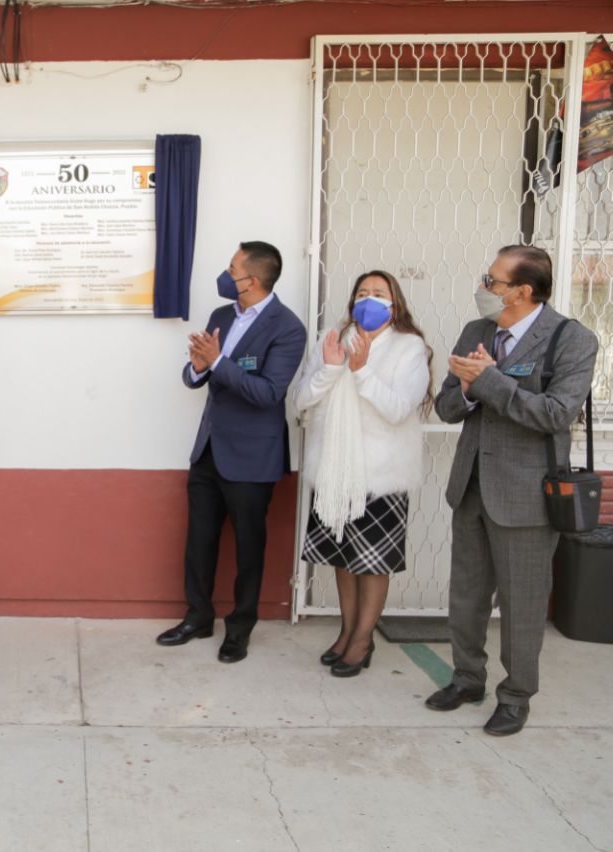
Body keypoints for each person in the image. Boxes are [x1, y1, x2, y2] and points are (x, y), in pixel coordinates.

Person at [426, 245, 597, 736]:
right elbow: (446, 406)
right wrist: (464, 388)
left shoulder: (572, 338)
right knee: (466, 596)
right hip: (472, 485)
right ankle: (466, 678)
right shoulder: (477, 331)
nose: (484, 288)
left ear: (522, 291)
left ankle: (517, 694)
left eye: (493, 281)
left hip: (527, 495)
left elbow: (555, 414)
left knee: (523, 603)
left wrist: (489, 381)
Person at [156, 241, 307, 662]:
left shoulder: (287, 327)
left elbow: (269, 393)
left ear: (252, 280)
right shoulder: (222, 315)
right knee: (199, 541)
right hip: (208, 450)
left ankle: (239, 629)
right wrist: (199, 367)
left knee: (248, 548)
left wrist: (218, 362)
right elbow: (197, 375)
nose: (226, 274)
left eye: (232, 267)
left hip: (252, 458)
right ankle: (197, 617)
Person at [291, 270, 432, 677]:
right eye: (362, 292)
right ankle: (347, 630)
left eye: (378, 293)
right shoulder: (333, 338)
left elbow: (397, 408)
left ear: (395, 302)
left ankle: (363, 638)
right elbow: (302, 400)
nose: (369, 299)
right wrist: (333, 368)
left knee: (371, 563)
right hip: (334, 473)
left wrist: (360, 370)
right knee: (342, 558)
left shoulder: (410, 347)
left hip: (379, 477)